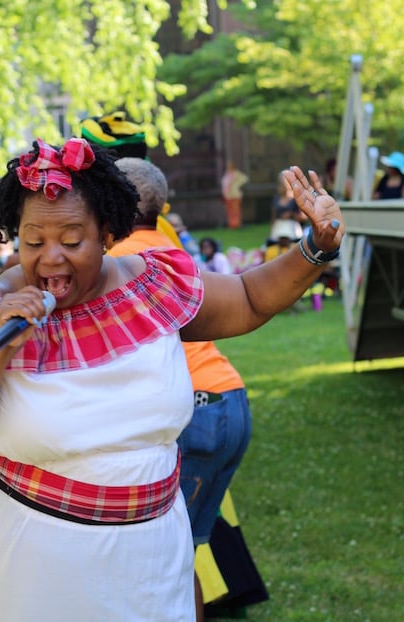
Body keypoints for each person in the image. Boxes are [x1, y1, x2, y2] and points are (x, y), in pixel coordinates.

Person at [0, 136, 345, 620]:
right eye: (34, 241)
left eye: (72, 241)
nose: (51, 257)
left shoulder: (152, 287)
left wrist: (315, 247)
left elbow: (248, 297)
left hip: (152, 556)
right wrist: (1, 346)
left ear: (108, 234)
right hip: (33, 566)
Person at [109, 157, 255, 621]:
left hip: (195, 409)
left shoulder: (117, 260)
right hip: (229, 400)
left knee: (166, 558)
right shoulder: (169, 249)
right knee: (184, 550)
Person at [220, 161, 249, 229]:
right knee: (229, 211)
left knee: (235, 210)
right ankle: (231, 224)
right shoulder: (227, 174)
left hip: (235, 195)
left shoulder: (236, 173)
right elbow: (224, 184)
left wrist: (237, 185)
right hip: (228, 196)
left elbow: (245, 179)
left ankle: (236, 223)